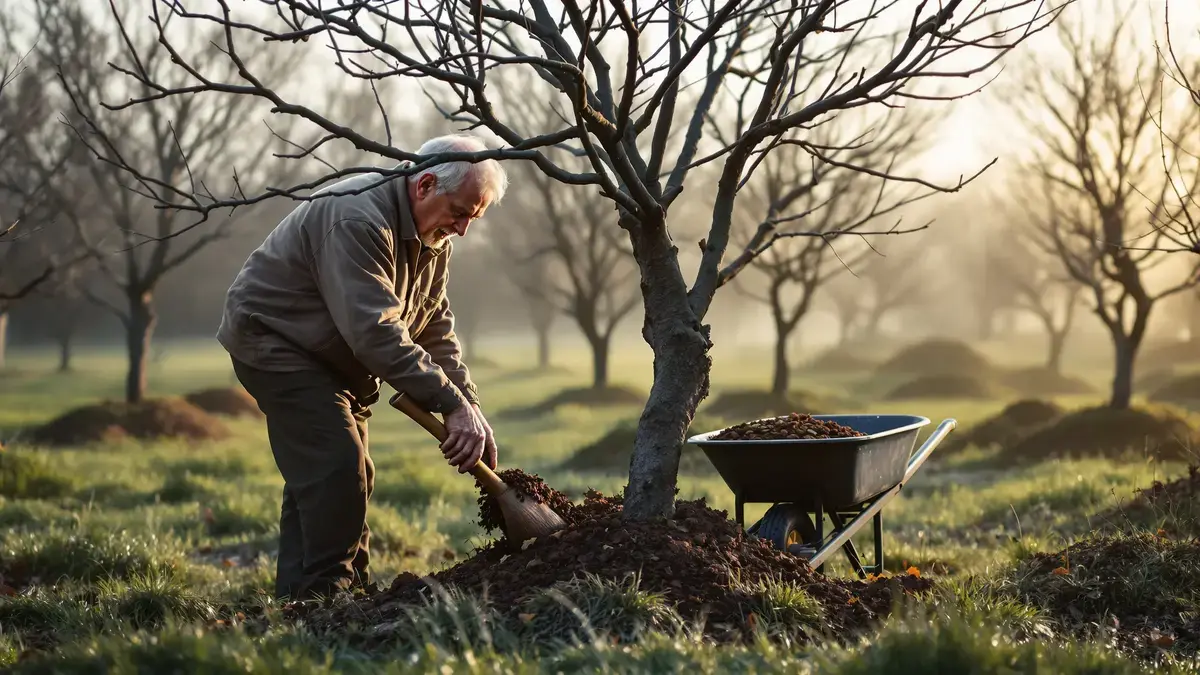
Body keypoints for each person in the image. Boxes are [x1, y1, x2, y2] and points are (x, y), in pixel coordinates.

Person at [216, 133, 507, 601]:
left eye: (474, 218)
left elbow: (433, 324)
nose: (463, 229)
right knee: (338, 466)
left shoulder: (432, 235)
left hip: (334, 356)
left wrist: (467, 404)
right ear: (426, 184)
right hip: (278, 343)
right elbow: (375, 331)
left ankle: (307, 598)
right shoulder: (356, 217)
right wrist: (448, 403)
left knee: (334, 474)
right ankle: (331, 599)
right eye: (461, 213)